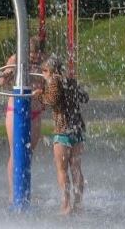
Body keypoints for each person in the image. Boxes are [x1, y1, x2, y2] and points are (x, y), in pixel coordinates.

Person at [36, 55, 88, 215]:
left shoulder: (54, 82)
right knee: (76, 168)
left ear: (51, 71)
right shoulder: (70, 81)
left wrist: (38, 94)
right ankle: (78, 203)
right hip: (77, 130)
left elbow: (51, 100)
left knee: (62, 169)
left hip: (62, 130)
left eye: (44, 71)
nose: (43, 74)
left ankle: (66, 204)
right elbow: (84, 97)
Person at [0, 36, 46, 204]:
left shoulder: (43, 63)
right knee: (16, 152)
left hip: (35, 112)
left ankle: (25, 190)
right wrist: (11, 73)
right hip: (16, 111)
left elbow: (49, 85)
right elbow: (2, 81)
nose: (35, 58)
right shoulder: (15, 59)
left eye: (37, 55)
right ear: (25, 51)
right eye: (32, 55)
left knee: (28, 154)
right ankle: (14, 193)